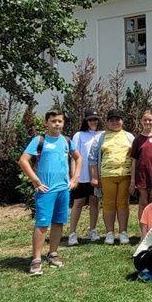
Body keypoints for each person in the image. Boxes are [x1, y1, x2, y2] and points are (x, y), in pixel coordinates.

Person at [18, 109, 82, 275]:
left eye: (60, 121)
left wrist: (75, 178)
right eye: (53, 121)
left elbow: (78, 158)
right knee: (42, 224)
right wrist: (35, 181)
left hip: (63, 189)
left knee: (58, 222)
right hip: (46, 191)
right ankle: (36, 260)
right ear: (46, 123)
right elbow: (23, 160)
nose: (57, 124)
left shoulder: (66, 141)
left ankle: (52, 253)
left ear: (63, 123)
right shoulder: (39, 140)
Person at [89, 109, 135, 245]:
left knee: (123, 203)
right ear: (107, 122)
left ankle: (123, 232)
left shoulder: (129, 137)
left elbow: (135, 157)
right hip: (107, 176)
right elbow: (92, 158)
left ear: (122, 121)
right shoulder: (100, 137)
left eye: (117, 119)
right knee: (108, 204)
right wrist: (94, 177)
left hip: (125, 175)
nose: (115, 122)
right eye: (111, 120)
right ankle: (109, 233)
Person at [67, 110, 102, 246]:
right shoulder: (79, 135)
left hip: (95, 176)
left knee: (94, 202)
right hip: (81, 176)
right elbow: (74, 156)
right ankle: (72, 233)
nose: (93, 122)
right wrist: (74, 175)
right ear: (86, 121)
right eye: (90, 120)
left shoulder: (102, 134)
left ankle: (92, 230)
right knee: (78, 203)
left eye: (95, 119)